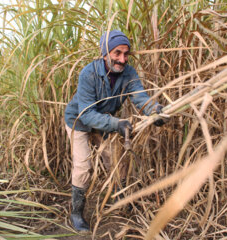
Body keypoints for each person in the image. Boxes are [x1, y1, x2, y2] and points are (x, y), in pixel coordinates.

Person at [64, 30, 165, 232]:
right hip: (79, 122)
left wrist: (155, 112)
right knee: (83, 167)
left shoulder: (129, 73)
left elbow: (140, 97)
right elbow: (86, 113)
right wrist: (117, 124)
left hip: (106, 123)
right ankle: (77, 213)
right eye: (117, 53)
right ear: (105, 53)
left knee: (117, 161)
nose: (122, 59)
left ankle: (120, 198)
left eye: (126, 54)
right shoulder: (88, 73)